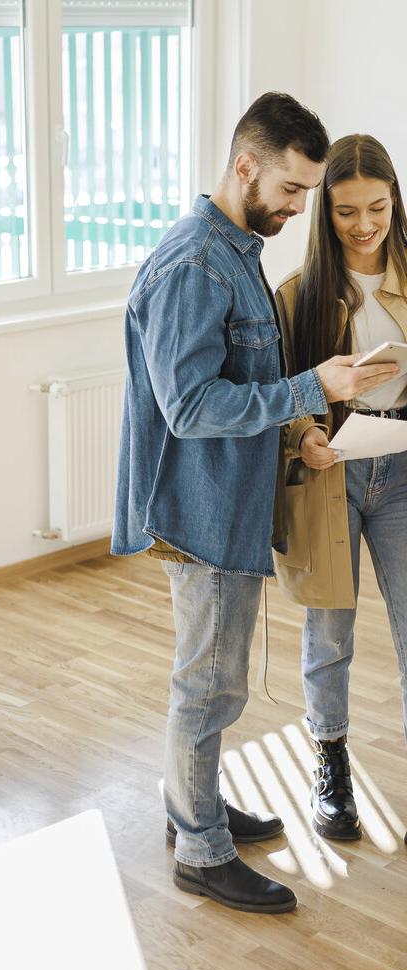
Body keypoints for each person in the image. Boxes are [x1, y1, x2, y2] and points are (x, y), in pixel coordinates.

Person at [111, 93, 400, 915]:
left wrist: (302, 431)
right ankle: (201, 851)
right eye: (294, 189)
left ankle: (192, 806)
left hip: (235, 502)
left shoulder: (240, 251)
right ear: (245, 166)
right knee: (208, 685)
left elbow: (245, 387)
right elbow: (190, 408)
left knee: (216, 679)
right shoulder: (195, 266)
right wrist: (317, 385)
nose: (301, 208)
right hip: (198, 511)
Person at [275, 134, 407, 842]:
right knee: (330, 630)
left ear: (396, 202)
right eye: (347, 211)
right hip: (333, 476)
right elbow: (281, 395)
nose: (363, 225)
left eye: (378, 208)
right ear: (325, 212)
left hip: (404, 469)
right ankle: (331, 764)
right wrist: (305, 436)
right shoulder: (299, 295)